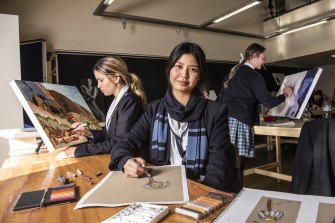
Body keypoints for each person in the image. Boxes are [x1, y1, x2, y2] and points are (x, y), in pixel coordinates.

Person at [109, 42, 241, 193]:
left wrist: (201, 197)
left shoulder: (215, 111)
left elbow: (219, 165)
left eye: (192, 69)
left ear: (199, 77)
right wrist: (126, 161)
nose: (183, 75)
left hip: (203, 189)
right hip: (163, 188)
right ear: (169, 70)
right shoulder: (154, 109)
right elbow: (125, 143)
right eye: (178, 66)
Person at [217, 43, 293, 184]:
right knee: (238, 167)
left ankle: (229, 195)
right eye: (263, 58)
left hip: (224, 120)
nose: (264, 61)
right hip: (239, 120)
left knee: (229, 164)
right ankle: (237, 196)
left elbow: (221, 96)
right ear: (254, 56)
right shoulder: (253, 75)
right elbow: (268, 102)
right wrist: (285, 95)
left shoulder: (234, 71)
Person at [60, 56, 147, 158]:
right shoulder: (117, 100)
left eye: (101, 80)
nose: (98, 85)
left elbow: (120, 141)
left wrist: (80, 150)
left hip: (131, 162)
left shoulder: (130, 101)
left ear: (116, 77)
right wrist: (88, 132)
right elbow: (108, 135)